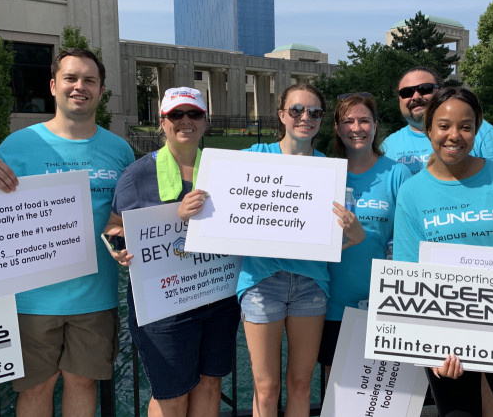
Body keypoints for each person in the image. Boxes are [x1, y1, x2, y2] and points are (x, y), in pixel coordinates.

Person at [178, 83, 364, 417]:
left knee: (300, 385)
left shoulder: (330, 169)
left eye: (314, 112)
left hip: (311, 284)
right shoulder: (253, 158)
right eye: (296, 110)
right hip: (261, 283)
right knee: (266, 389)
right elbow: (216, 209)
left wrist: (353, 232)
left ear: (322, 119)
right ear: (281, 115)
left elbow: (342, 240)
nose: (305, 117)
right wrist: (188, 210)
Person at [393, 86, 493, 417]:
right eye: (444, 126)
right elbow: (408, 272)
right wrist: (430, 348)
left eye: (465, 126)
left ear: (477, 129)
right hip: (447, 339)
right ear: (428, 129)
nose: (455, 136)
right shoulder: (412, 192)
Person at [0, 48, 135, 416]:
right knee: (37, 387)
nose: (80, 87)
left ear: (101, 90)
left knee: (83, 384)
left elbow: (121, 219)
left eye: (90, 80)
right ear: (54, 85)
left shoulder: (120, 151)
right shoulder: (17, 146)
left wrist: (123, 241)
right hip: (32, 299)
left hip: (96, 296)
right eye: (71, 78)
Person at [104, 87, 240, 417]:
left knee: (210, 384)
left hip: (217, 294)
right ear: (162, 122)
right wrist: (118, 249)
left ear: (205, 122)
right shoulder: (137, 175)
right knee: (173, 395)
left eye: (194, 114)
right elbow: (113, 228)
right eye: (176, 115)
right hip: (165, 303)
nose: (185, 121)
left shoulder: (226, 169)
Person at [317, 93, 411, 378]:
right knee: (340, 391)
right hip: (334, 303)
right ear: (336, 127)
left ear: (375, 125)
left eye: (364, 121)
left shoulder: (398, 173)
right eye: (348, 121)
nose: (356, 128)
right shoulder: (325, 174)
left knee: (383, 393)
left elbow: (405, 239)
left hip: (383, 303)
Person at [381, 66, 493, 175]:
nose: (416, 96)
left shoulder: (481, 130)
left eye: (425, 89)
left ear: (441, 91)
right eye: (406, 92)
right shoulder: (389, 145)